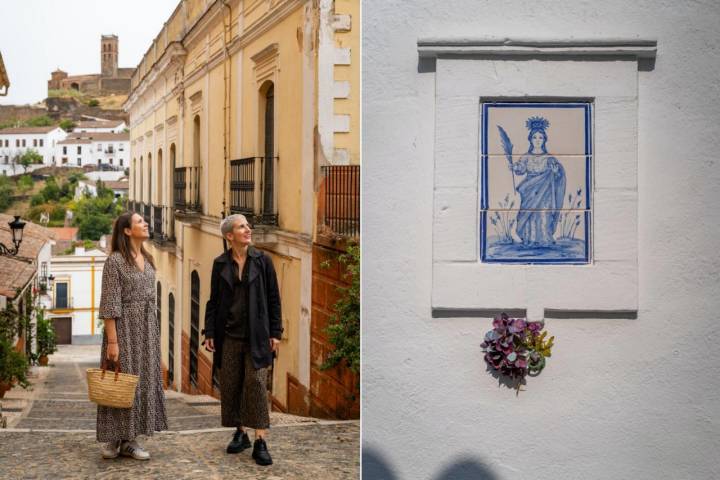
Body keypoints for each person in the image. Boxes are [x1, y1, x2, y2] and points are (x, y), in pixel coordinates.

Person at [203, 214, 283, 466]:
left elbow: (273, 299)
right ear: (230, 236)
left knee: (257, 384)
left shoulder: (263, 261)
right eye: (242, 227)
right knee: (232, 385)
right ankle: (241, 433)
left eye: (248, 226)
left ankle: (261, 440)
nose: (248, 229)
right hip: (228, 336)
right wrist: (210, 333)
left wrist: (276, 333)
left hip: (257, 336)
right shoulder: (220, 264)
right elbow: (213, 302)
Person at [96, 212, 168, 460]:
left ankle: (131, 439)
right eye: (139, 222)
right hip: (123, 329)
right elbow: (109, 304)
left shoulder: (147, 258)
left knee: (141, 384)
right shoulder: (115, 261)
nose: (146, 223)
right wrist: (113, 342)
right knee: (119, 383)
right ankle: (113, 438)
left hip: (147, 329)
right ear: (127, 231)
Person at [509, 116, 566, 246]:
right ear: (530, 139)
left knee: (543, 214)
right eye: (535, 137)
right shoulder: (526, 157)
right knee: (528, 214)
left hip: (545, 191)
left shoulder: (549, 158)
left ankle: (544, 239)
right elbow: (521, 169)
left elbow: (558, 175)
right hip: (529, 190)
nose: (538, 140)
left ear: (544, 140)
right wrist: (515, 167)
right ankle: (529, 239)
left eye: (540, 137)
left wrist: (556, 171)